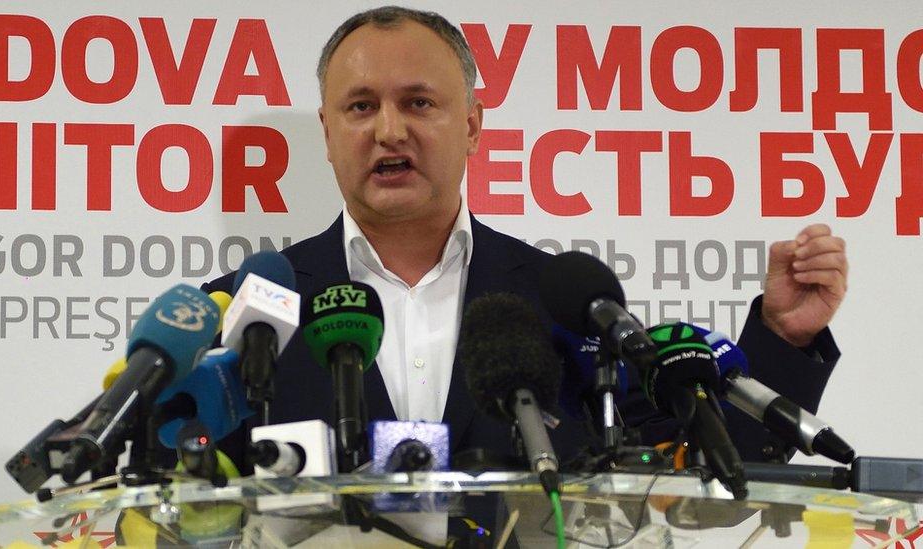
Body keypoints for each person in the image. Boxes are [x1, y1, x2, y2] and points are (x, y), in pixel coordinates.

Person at [203, 6, 847, 471]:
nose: (390, 130)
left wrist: (784, 339)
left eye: (420, 103)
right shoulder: (245, 309)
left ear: (473, 126)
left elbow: (694, 457)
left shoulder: (562, 304)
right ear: (327, 129)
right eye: (361, 106)